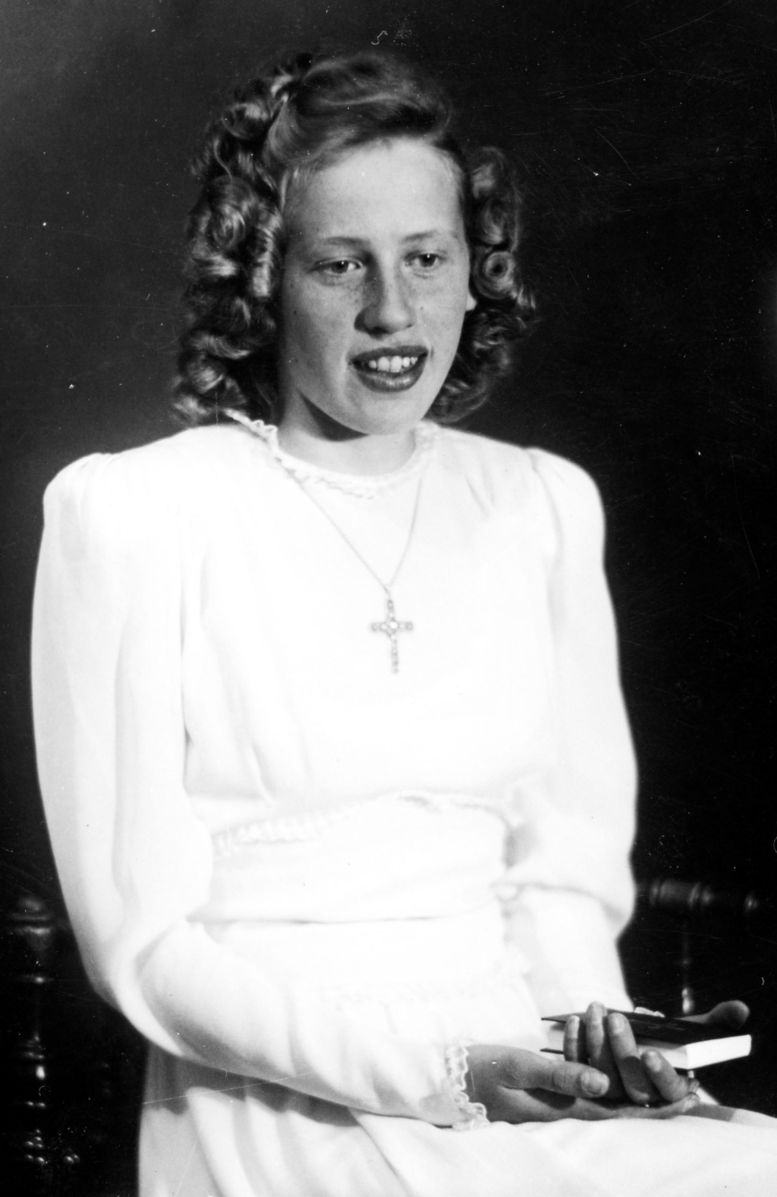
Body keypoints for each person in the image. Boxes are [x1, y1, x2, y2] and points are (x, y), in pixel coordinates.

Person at [32, 49, 777, 1197]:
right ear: (265, 278)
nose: (393, 310)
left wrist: (600, 1036)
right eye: (341, 264)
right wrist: (439, 1074)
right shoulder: (134, 514)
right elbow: (144, 948)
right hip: (274, 1095)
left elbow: (564, 875)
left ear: (476, 271)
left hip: (518, 1072)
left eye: (427, 258)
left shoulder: (539, 503)